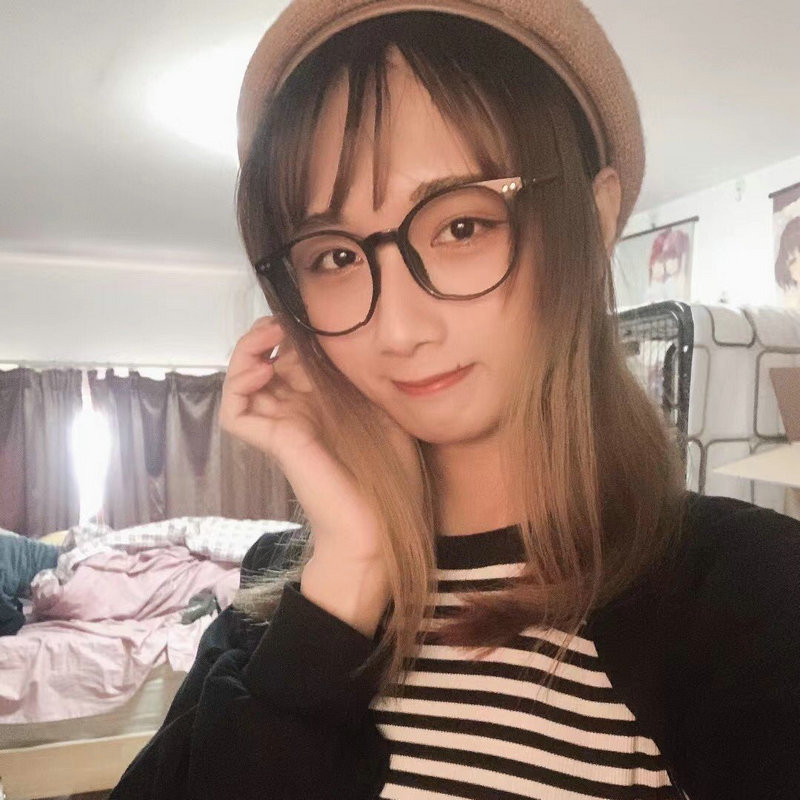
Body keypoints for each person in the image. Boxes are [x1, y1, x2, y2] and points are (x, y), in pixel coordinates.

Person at [110, 2, 800, 798]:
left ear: (593, 218)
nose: (400, 329)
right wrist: (349, 573)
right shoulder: (280, 598)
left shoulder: (742, 595)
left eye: (463, 226)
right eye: (335, 257)